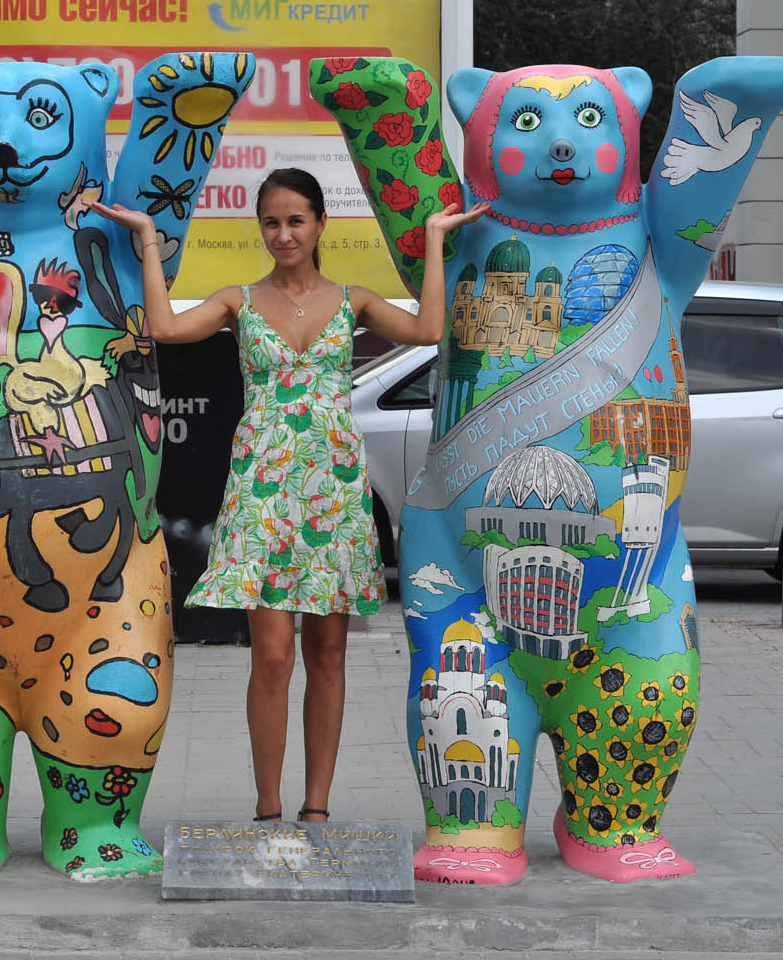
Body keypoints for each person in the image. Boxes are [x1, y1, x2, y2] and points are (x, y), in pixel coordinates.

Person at [88, 168, 485, 823]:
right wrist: (149, 241)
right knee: (272, 657)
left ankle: (317, 808)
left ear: (321, 223)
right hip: (262, 493)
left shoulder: (353, 300)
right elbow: (164, 327)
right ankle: (268, 807)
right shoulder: (238, 301)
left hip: (334, 493)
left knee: (327, 653)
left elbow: (427, 329)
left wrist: (437, 239)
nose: (283, 234)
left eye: (296, 220)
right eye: (271, 222)